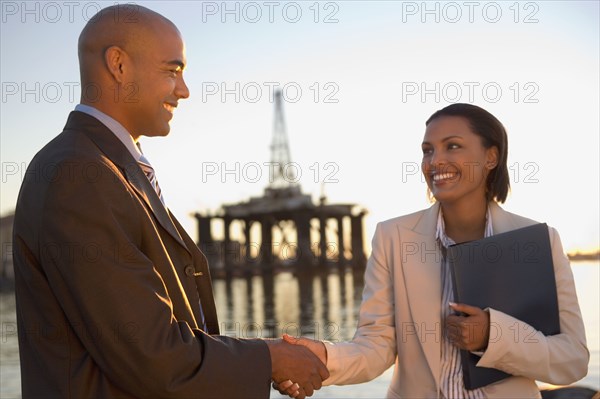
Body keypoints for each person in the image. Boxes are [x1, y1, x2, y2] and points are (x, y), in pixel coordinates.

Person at [12, 5, 327, 398]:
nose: (184, 89)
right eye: (172, 70)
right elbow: (150, 354)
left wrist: (257, 361)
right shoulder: (78, 175)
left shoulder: (107, 166)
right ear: (119, 66)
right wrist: (269, 358)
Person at [277, 103, 589, 398]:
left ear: (490, 157)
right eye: (428, 150)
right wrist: (322, 357)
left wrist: (493, 336)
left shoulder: (538, 242)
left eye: (452, 146)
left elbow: (571, 359)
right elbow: (376, 348)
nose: (435, 160)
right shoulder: (392, 237)